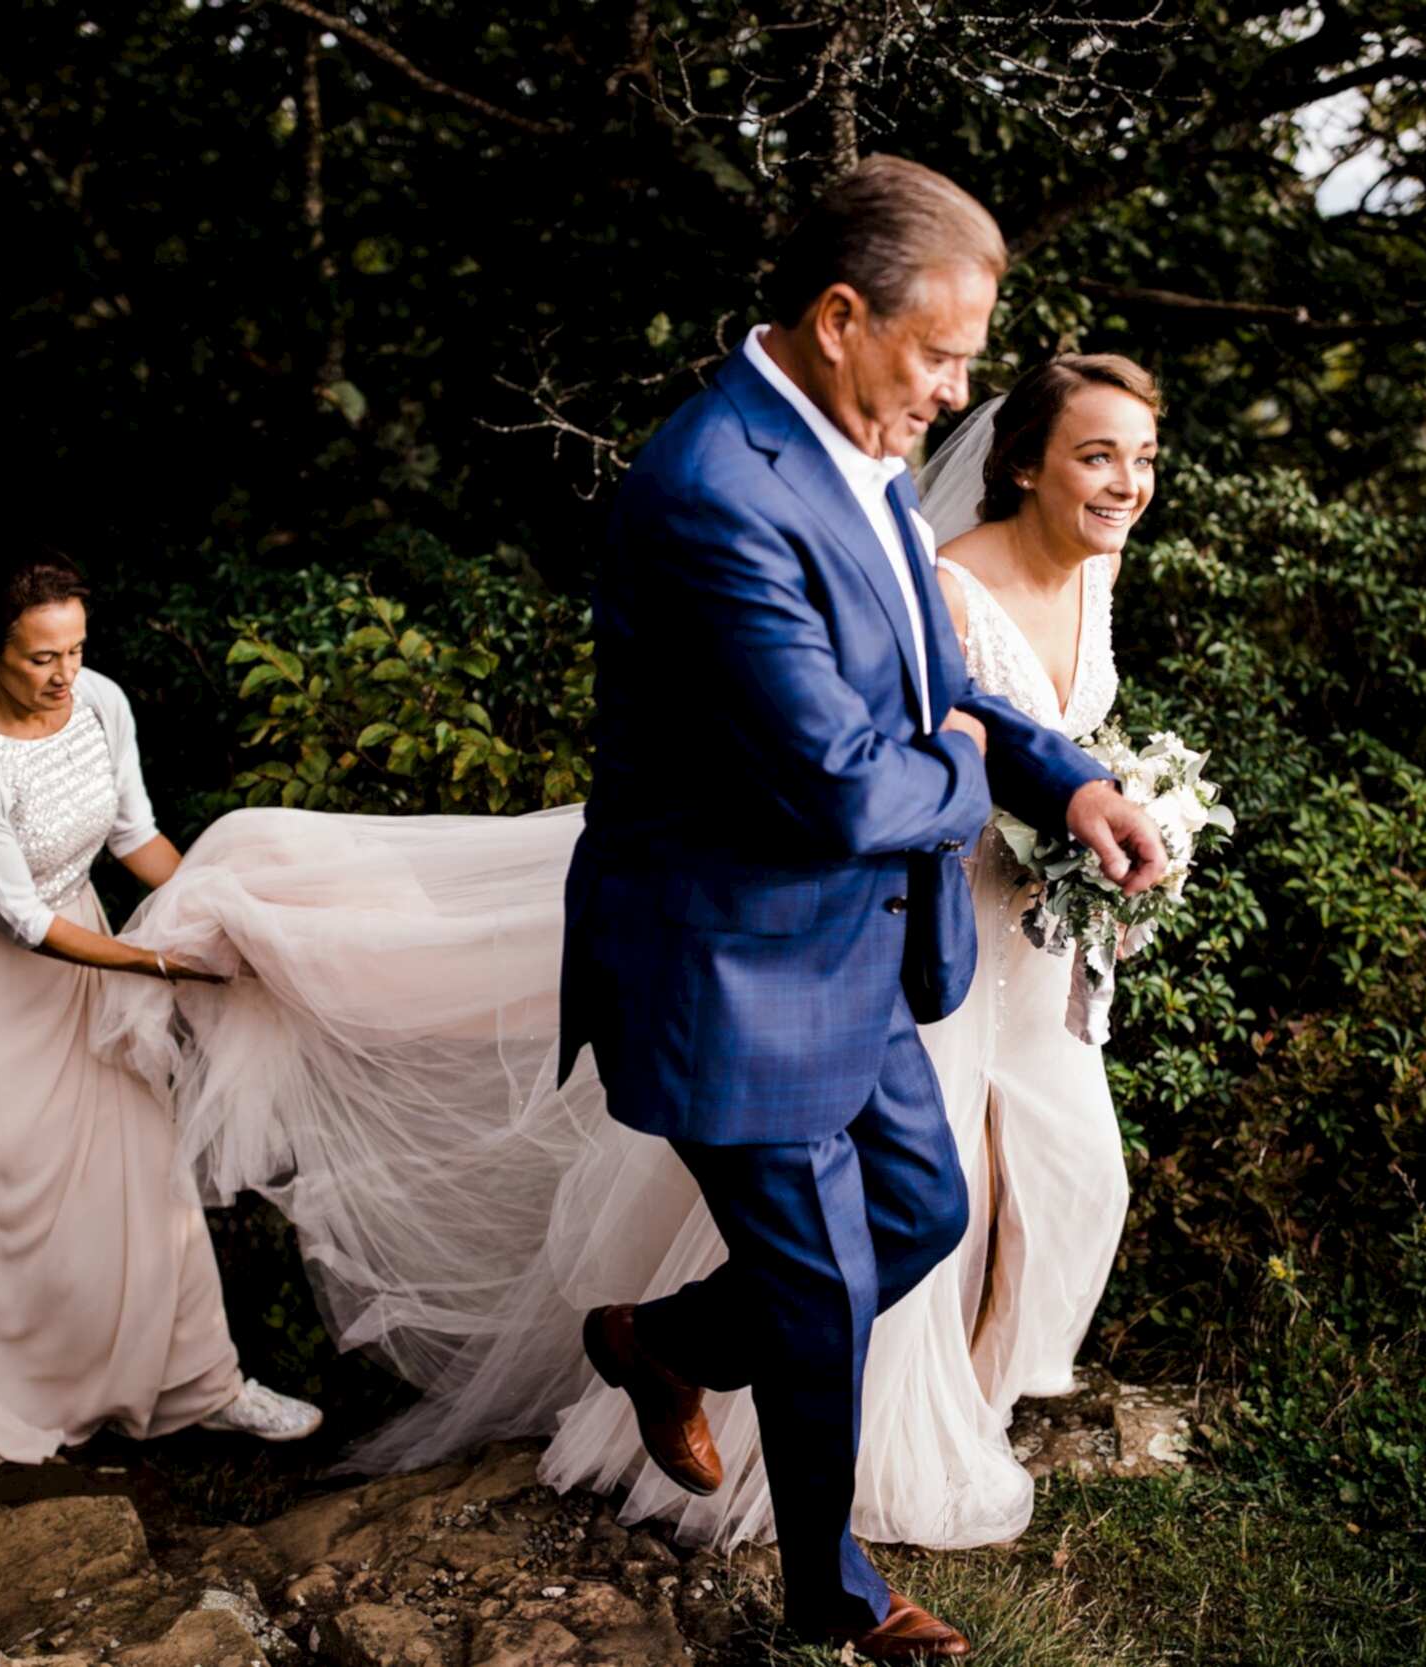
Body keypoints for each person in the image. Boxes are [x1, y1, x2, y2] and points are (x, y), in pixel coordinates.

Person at [101, 156, 1169, 1662]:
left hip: (864, 943)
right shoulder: (711, 492)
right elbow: (848, 790)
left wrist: (1067, 783)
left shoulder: (858, 441)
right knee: (815, 1288)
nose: (955, 391)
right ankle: (833, 1598)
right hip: (734, 957)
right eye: (940, 355)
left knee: (921, 1210)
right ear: (841, 313)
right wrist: (966, 764)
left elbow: (954, 682)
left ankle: (659, 1337)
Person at [0, 551, 323, 1473]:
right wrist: (169, 961)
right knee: (4, 1201)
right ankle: (18, 1409)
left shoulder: (100, 702)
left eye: (76, 650)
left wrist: (226, 924)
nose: (63, 676)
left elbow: (132, 832)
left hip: (86, 952)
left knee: (141, 1173)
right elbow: (18, 916)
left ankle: (202, 1385)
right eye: (40, 658)